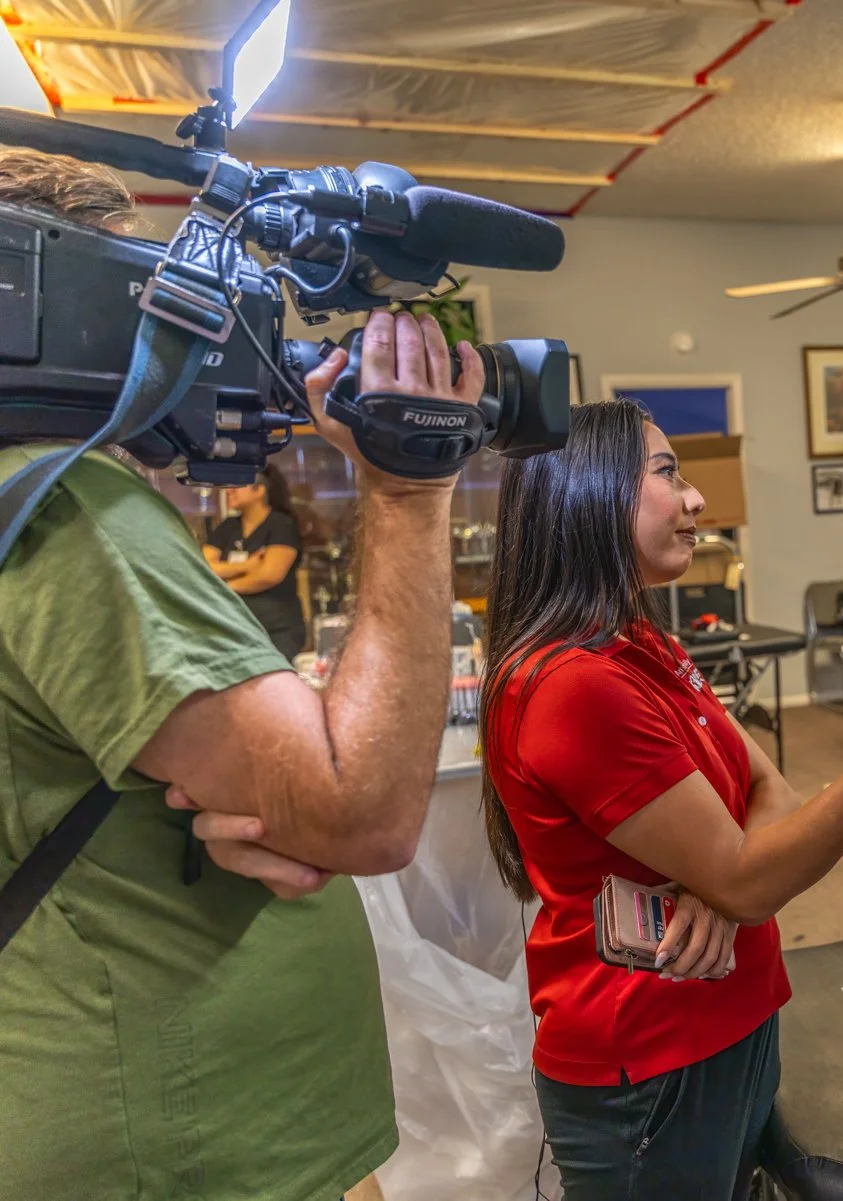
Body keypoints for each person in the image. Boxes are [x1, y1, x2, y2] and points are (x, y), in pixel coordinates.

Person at [0, 147, 488, 1199]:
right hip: (190, 1141)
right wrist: (410, 491)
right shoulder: (66, 508)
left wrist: (251, 785)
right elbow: (360, 811)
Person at [478, 400, 843, 1201]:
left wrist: (718, 886)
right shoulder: (573, 684)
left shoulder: (642, 640)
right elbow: (751, 876)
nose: (696, 499)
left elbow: (768, 788)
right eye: (667, 472)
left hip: (731, 1017)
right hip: (652, 1056)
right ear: (591, 494)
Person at [203, 463, 309, 659]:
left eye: (237, 485)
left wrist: (224, 587)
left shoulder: (281, 524)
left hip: (276, 631)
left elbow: (268, 575)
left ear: (259, 490)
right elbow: (204, 567)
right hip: (236, 629)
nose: (229, 491)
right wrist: (247, 566)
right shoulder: (228, 526)